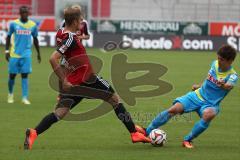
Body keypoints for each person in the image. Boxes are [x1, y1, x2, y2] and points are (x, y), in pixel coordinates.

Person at [24, 6, 150, 150]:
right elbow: (53, 59)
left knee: (60, 113)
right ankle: (134, 133)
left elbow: (65, 58)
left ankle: (34, 133)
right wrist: (63, 80)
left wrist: (64, 82)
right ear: (74, 21)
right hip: (88, 79)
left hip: (74, 83)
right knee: (115, 100)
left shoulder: (60, 33)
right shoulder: (70, 38)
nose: (82, 22)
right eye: (80, 20)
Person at [144, 45, 238, 148]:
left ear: (230, 61)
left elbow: (229, 86)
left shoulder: (233, 75)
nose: (219, 61)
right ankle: (146, 132)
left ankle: (187, 140)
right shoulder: (214, 64)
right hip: (197, 95)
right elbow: (208, 80)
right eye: (218, 58)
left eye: (222, 60)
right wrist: (199, 86)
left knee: (209, 115)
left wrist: (223, 84)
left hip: (210, 104)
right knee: (174, 109)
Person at [5, 6, 41, 105]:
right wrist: (7, 51)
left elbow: (36, 39)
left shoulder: (32, 25)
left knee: (25, 76)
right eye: (23, 13)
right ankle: (10, 94)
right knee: (12, 75)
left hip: (26, 54)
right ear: (20, 13)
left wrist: (38, 53)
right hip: (15, 54)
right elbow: (8, 37)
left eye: (26, 13)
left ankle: (24, 97)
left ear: (28, 14)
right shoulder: (14, 24)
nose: (25, 14)